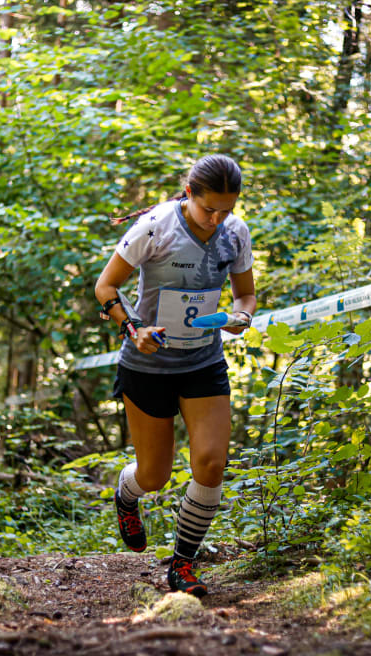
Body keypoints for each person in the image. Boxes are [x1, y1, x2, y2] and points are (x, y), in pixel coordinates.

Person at [93, 154, 256, 598]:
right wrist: (134, 329)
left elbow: (246, 295)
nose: (217, 219)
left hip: (203, 361)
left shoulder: (235, 232)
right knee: (155, 476)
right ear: (189, 194)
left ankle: (183, 564)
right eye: (209, 209)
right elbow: (105, 287)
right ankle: (127, 495)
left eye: (227, 209)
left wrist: (240, 317)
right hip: (147, 366)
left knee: (211, 462)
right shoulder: (155, 226)